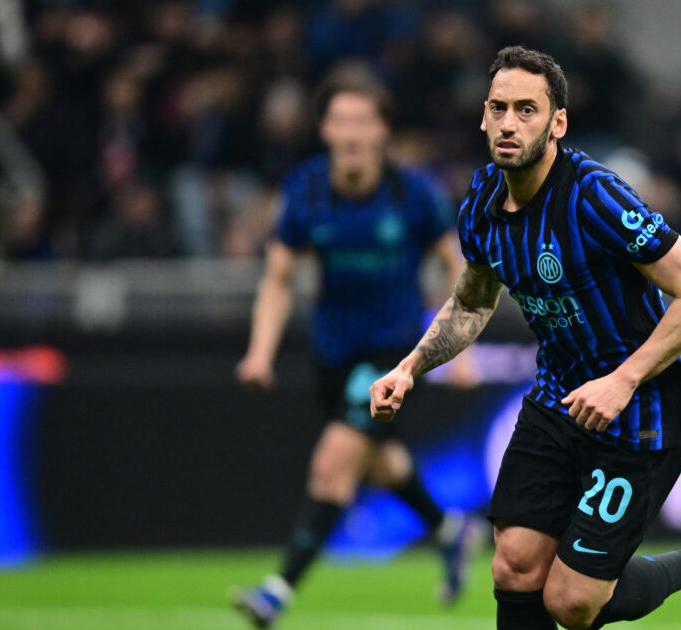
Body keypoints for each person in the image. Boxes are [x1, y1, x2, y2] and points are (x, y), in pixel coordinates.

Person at [370, 46, 681, 630]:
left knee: (572, 603)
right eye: (498, 108)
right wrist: (409, 367)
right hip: (556, 403)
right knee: (514, 566)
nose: (509, 122)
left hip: (639, 413)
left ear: (558, 123)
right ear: (483, 117)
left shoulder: (594, 195)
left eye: (527, 110)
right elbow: (472, 301)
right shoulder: (481, 202)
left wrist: (622, 380)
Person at [231, 67, 478, 628]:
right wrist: (260, 353)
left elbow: (460, 269)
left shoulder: (413, 193)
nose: (351, 133)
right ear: (324, 129)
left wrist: (459, 349)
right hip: (331, 354)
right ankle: (447, 529)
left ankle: (277, 591)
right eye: (340, 120)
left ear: (383, 129)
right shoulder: (305, 191)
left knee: (333, 465)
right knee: (380, 465)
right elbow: (278, 279)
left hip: (394, 355)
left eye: (363, 121)